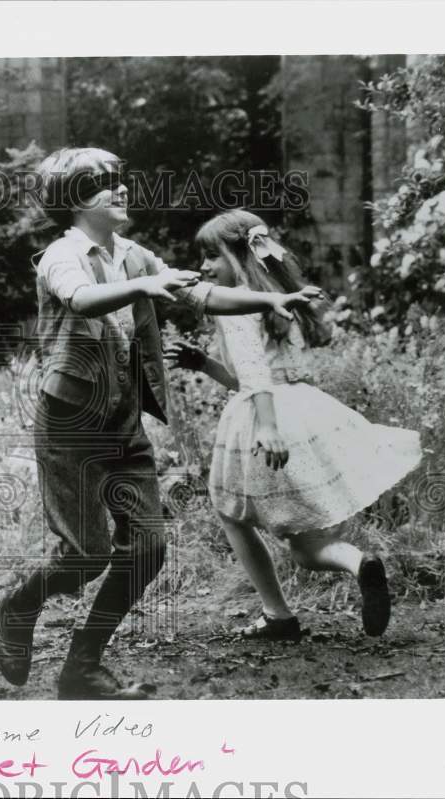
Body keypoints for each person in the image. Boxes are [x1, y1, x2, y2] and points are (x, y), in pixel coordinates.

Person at [0, 149, 323, 699]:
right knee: (86, 555)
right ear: (73, 202)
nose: (121, 191)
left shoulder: (134, 254)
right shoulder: (60, 255)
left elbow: (202, 293)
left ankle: (83, 665)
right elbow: (81, 298)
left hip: (123, 422)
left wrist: (272, 295)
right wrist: (144, 286)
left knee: (147, 547)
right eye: (103, 185)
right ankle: (18, 607)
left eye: (121, 181)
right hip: (70, 422)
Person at [165, 209, 422, 641]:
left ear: (239, 256)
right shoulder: (283, 301)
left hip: (265, 416)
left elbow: (255, 376)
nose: (204, 267)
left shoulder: (236, 309)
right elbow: (253, 373)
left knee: (231, 512)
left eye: (212, 256)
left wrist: (266, 427)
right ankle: (359, 562)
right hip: (302, 408)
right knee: (304, 544)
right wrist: (204, 363)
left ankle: (278, 614)